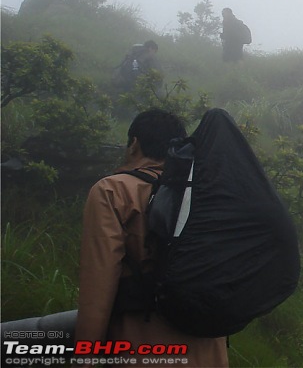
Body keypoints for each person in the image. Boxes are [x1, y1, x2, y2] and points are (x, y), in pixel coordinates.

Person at [75, 109, 228, 367]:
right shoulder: (207, 195)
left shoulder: (113, 191)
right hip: (210, 349)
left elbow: (98, 285)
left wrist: (85, 357)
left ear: (134, 144)